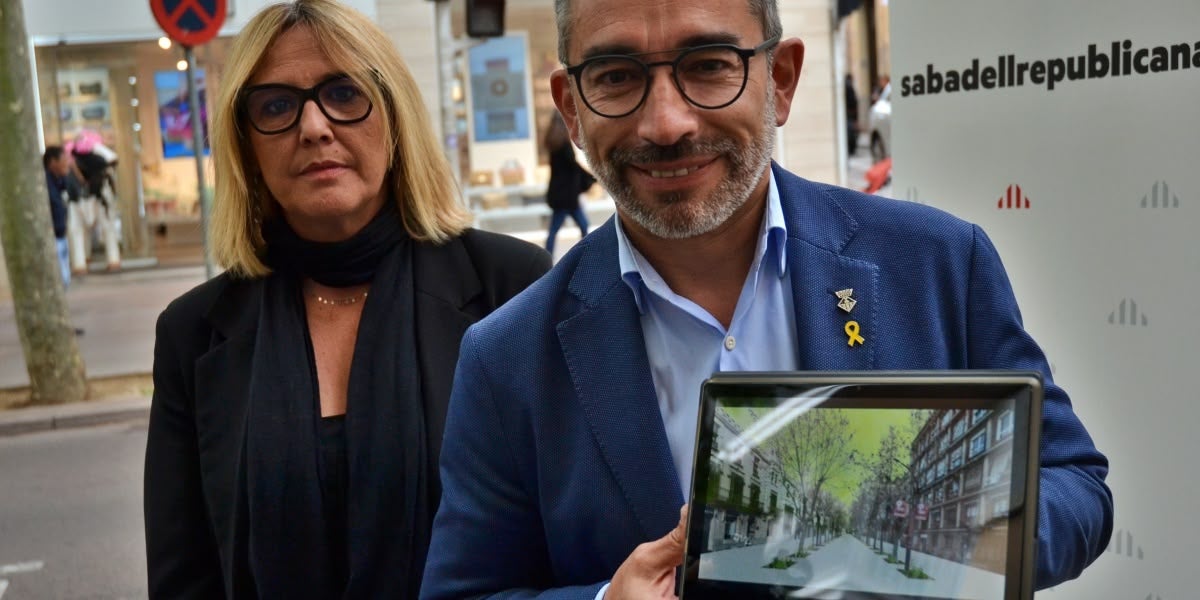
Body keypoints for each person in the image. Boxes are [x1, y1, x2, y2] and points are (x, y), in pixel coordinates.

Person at [420, 0, 1113, 597]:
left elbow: (1072, 483)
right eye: (616, 76)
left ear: (779, 79)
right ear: (571, 108)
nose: (666, 123)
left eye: (708, 65)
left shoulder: (936, 263)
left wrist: (926, 542)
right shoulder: (506, 358)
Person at [142, 1, 551, 598]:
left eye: (343, 94)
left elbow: (556, 540)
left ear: (395, 117)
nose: (314, 127)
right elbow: (184, 578)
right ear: (246, 146)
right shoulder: (194, 332)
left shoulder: (509, 286)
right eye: (276, 106)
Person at [68, 129, 121, 273]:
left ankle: (80, 263)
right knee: (108, 228)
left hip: (79, 196)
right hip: (99, 193)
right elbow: (113, 159)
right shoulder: (97, 148)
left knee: (78, 230)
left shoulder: (70, 154)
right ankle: (113, 260)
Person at [543, 113, 593, 255]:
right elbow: (574, 166)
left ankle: (548, 255)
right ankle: (587, 254)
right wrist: (591, 177)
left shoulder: (552, 144)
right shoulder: (565, 146)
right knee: (583, 225)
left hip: (559, 195)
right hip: (569, 196)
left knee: (554, 230)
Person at [44, 146, 75, 289]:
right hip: (51, 237)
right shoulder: (44, 183)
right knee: (61, 280)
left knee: (65, 280)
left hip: (61, 235)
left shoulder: (60, 181)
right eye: (64, 159)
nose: (67, 162)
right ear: (52, 162)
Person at [845, 73, 859, 156]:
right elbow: (852, 102)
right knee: (850, 132)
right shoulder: (849, 87)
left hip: (849, 113)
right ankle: (851, 149)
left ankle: (851, 149)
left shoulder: (846, 86)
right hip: (850, 114)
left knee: (850, 131)